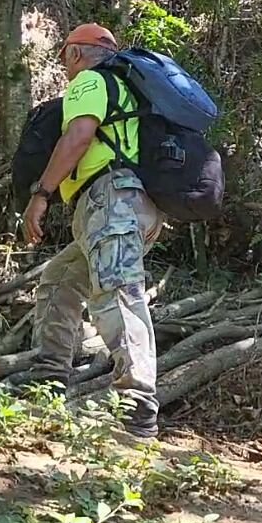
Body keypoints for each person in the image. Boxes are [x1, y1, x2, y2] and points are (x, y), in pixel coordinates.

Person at [21, 23, 165, 439]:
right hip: (131, 206)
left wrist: (42, 192)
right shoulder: (130, 93)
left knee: (118, 291)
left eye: (65, 56)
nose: (65, 65)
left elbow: (79, 135)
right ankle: (49, 378)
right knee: (60, 279)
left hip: (111, 198)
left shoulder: (89, 81)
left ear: (75, 54)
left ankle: (138, 407)